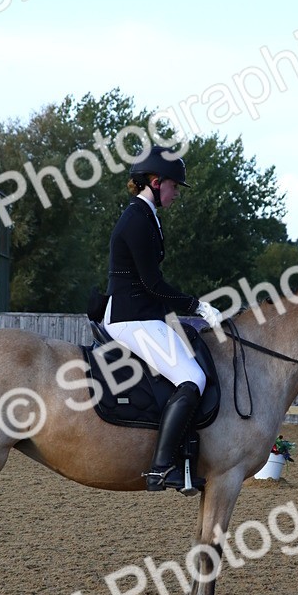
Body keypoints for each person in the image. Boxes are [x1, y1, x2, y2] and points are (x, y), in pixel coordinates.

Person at [103, 145, 222, 492]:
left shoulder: (147, 215)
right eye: (173, 186)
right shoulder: (137, 219)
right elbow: (153, 284)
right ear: (155, 182)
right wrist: (196, 306)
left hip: (143, 313)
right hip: (131, 317)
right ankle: (160, 467)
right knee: (192, 378)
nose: (175, 194)